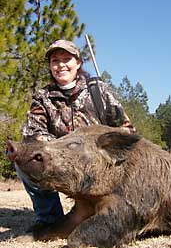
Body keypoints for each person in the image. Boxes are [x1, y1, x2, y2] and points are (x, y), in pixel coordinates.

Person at [7, 39, 135, 235]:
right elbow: (33, 134)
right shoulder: (43, 98)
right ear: (50, 66)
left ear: (78, 64)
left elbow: (127, 130)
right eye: (55, 61)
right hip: (62, 164)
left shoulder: (99, 91)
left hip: (100, 167)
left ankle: (111, 208)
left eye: (67, 59)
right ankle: (50, 219)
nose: (61, 65)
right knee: (23, 163)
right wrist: (61, 149)